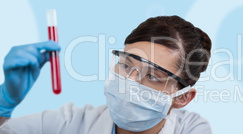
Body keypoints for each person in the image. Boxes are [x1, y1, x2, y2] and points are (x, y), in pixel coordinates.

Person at [0, 15, 212, 134]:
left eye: (153, 76)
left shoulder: (191, 129)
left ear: (182, 97)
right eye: (126, 65)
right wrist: (5, 102)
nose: (128, 82)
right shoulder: (72, 122)